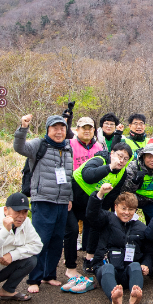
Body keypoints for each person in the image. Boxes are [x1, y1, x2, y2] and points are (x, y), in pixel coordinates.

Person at [13, 114, 72, 294]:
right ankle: (34, 278)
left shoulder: (68, 148)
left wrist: (70, 198)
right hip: (43, 200)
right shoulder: (39, 145)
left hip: (62, 202)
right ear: (48, 129)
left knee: (56, 241)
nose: (59, 131)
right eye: (55, 128)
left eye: (62, 128)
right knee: (40, 241)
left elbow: (69, 176)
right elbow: (19, 147)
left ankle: (49, 275)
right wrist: (23, 128)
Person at [66, 142, 132, 279]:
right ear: (112, 154)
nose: (122, 161)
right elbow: (88, 177)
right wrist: (109, 167)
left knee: (97, 224)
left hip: (92, 204)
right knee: (72, 230)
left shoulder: (122, 173)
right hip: (74, 200)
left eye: (126, 159)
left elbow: (112, 195)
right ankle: (70, 266)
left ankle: (89, 258)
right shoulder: (99, 160)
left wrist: (102, 214)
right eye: (120, 156)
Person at [87, 187, 151, 304]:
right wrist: (99, 194)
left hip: (127, 272)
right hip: (107, 269)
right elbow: (92, 214)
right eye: (124, 208)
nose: (127, 212)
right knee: (107, 268)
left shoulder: (141, 227)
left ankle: (135, 296)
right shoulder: (107, 218)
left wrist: (147, 265)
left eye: (131, 209)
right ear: (115, 207)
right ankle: (115, 299)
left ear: (135, 210)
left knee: (135, 266)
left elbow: (148, 251)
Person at [66, 116, 104, 276]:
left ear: (94, 130)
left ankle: (88, 257)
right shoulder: (69, 145)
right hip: (73, 192)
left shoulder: (99, 147)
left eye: (90, 128)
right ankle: (70, 263)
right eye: (83, 128)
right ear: (77, 129)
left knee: (91, 224)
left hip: (91, 193)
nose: (87, 131)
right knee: (72, 229)